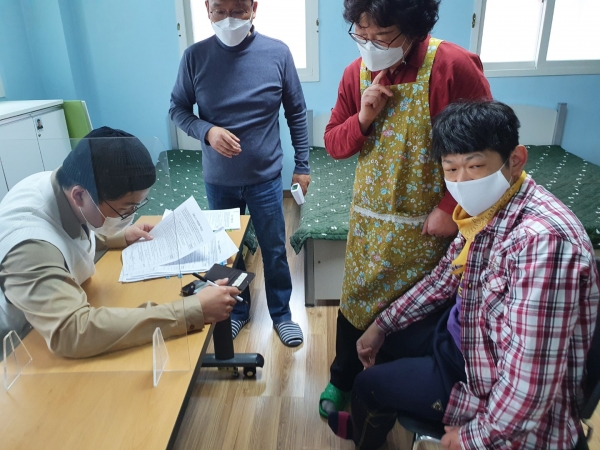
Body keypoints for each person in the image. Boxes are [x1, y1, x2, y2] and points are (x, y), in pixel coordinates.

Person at [326, 100, 600, 449]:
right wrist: (382, 324)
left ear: (516, 160)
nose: (461, 182)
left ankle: (365, 429)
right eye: (450, 168)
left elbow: (530, 383)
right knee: (381, 342)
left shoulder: (542, 243)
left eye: (475, 166)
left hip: (484, 378)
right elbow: (443, 278)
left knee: (367, 385)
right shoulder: (488, 208)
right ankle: (378, 413)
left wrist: (474, 437)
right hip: (466, 334)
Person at [319, 0, 492, 416]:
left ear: (414, 29)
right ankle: (343, 378)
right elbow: (333, 144)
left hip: (426, 226)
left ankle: (392, 386)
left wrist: (450, 206)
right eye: (362, 35)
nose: (370, 46)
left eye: (382, 37)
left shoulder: (452, 66)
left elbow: (485, 148)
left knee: (413, 310)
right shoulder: (355, 73)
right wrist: (362, 118)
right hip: (370, 222)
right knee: (357, 300)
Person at [0, 126, 240, 358]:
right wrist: (192, 310)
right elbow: (73, 332)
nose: (129, 217)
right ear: (79, 195)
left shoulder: (63, 183)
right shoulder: (30, 246)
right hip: (21, 349)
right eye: (125, 209)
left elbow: (69, 231)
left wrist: (117, 236)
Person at [169, 0, 310, 347]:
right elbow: (178, 109)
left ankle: (282, 314)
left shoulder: (277, 53)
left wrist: (302, 165)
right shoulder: (194, 57)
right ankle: (236, 311)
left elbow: (296, 112)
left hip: (265, 178)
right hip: (219, 181)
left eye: (238, 10)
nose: (228, 18)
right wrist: (207, 131)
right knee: (226, 253)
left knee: (273, 250)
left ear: (253, 7)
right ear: (207, 8)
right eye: (219, 10)